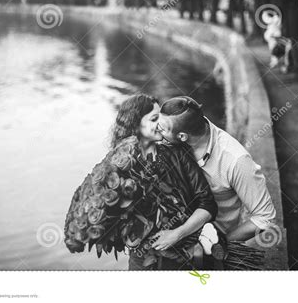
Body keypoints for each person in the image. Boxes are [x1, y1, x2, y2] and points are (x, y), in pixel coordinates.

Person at [110, 94, 218, 270]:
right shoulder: (118, 169)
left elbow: (207, 204)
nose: (161, 124)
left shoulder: (178, 153)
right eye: (154, 119)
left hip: (185, 256)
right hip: (142, 262)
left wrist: (176, 234)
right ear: (136, 126)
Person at [157, 96, 276, 243]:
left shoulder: (236, 161)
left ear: (182, 136)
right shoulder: (179, 135)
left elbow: (265, 218)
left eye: (161, 129)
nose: (156, 132)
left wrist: (221, 244)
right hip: (170, 239)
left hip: (211, 247)